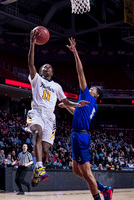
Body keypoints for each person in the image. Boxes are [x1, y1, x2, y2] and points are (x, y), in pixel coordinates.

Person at [27, 29, 88, 187]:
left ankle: (38, 169)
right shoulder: (36, 79)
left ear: (52, 72)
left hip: (50, 118)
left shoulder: (56, 86)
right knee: (37, 132)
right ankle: (39, 168)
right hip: (36, 113)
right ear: (41, 71)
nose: (47, 68)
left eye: (49, 67)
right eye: (44, 66)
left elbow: (66, 102)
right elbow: (30, 63)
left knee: (46, 150)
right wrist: (32, 44)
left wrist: (77, 104)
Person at [58, 38, 113, 200]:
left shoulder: (87, 96)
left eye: (93, 88)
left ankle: (100, 196)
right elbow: (76, 112)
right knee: (76, 171)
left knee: (87, 173)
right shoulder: (92, 105)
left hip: (80, 136)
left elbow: (80, 72)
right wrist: (67, 106)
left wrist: (75, 53)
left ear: (96, 94)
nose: (90, 87)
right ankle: (104, 188)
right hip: (80, 134)